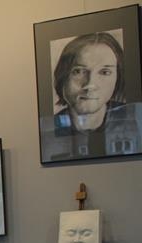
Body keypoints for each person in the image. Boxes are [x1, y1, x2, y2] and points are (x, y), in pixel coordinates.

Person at [45, 32, 126, 160]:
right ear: (63, 76)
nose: (90, 84)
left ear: (118, 77)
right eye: (79, 71)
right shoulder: (48, 130)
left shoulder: (133, 118)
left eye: (105, 72)